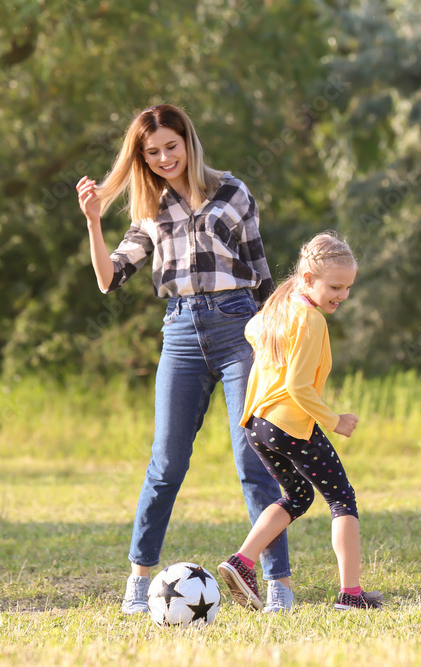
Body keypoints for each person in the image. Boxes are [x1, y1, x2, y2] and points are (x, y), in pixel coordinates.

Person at [76, 104, 294, 614]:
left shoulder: (234, 193)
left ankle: (277, 582)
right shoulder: (149, 209)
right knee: (166, 462)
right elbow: (110, 277)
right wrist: (92, 222)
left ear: (188, 141)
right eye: (151, 153)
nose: (163, 158)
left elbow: (262, 276)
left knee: (254, 457)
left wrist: (277, 347)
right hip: (179, 331)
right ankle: (137, 580)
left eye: (170, 146)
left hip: (240, 327)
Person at [216, 232, 383, 611]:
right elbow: (298, 385)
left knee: (298, 496)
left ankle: (242, 562)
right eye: (335, 286)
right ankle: (350, 595)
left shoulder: (282, 305)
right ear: (309, 279)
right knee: (342, 500)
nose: (342, 295)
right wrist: (334, 419)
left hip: (257, 423)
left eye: (348, 287)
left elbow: (250, 331)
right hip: (289, 423)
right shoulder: (310, 321)